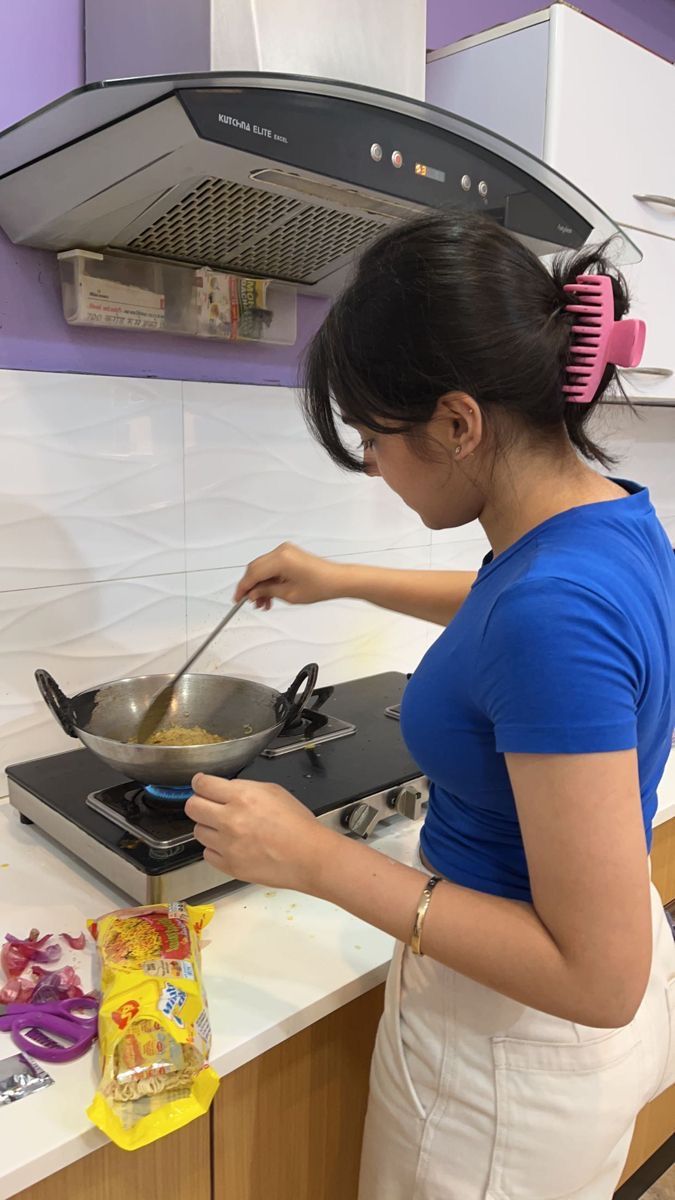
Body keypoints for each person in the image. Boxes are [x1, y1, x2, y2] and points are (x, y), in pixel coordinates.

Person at [186, 211, 675, 1200]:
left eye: (376, 437)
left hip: (509, 1051)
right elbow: (514, 616)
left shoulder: (552, 611)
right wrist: (343, 578)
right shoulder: (606, 518)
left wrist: (317, 859)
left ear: (458, 424)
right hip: (525, 1032)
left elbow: (598, 978)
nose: (374, 464)